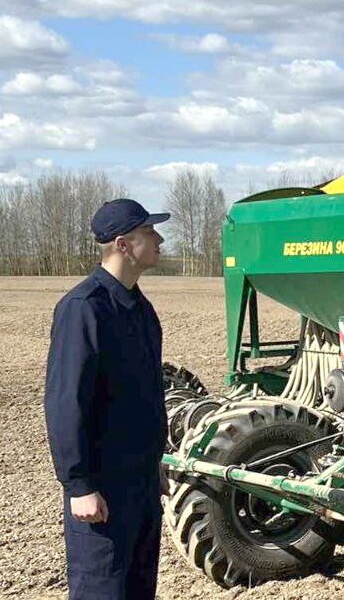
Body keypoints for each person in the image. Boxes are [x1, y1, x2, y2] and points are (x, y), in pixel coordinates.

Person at [44, 198, 170, 599]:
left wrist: (156, 465)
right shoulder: (84, 309)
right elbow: (66, 402)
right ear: (123, 245)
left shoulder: (140, 309)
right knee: (103, 590)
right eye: (149, 232)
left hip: (142, 485)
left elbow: (145, 396)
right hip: (103, 490)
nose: (160, 239)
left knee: (138, 589)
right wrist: (79, 484)